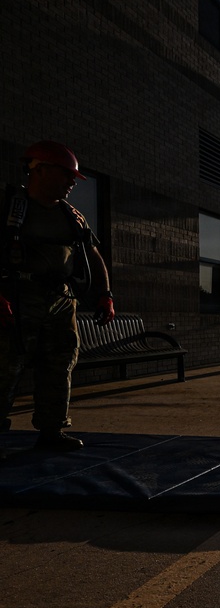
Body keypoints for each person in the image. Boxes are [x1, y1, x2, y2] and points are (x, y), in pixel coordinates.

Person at [0, 140, 114, 451]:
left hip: (60, 300)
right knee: (7, 365)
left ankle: (52, 431)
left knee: (60, 364)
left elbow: (93, 254)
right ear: (40, 170)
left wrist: (106, 295)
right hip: (18, 298)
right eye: (66, 176)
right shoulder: (10, 206)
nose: (70, 184)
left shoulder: (71, 216)